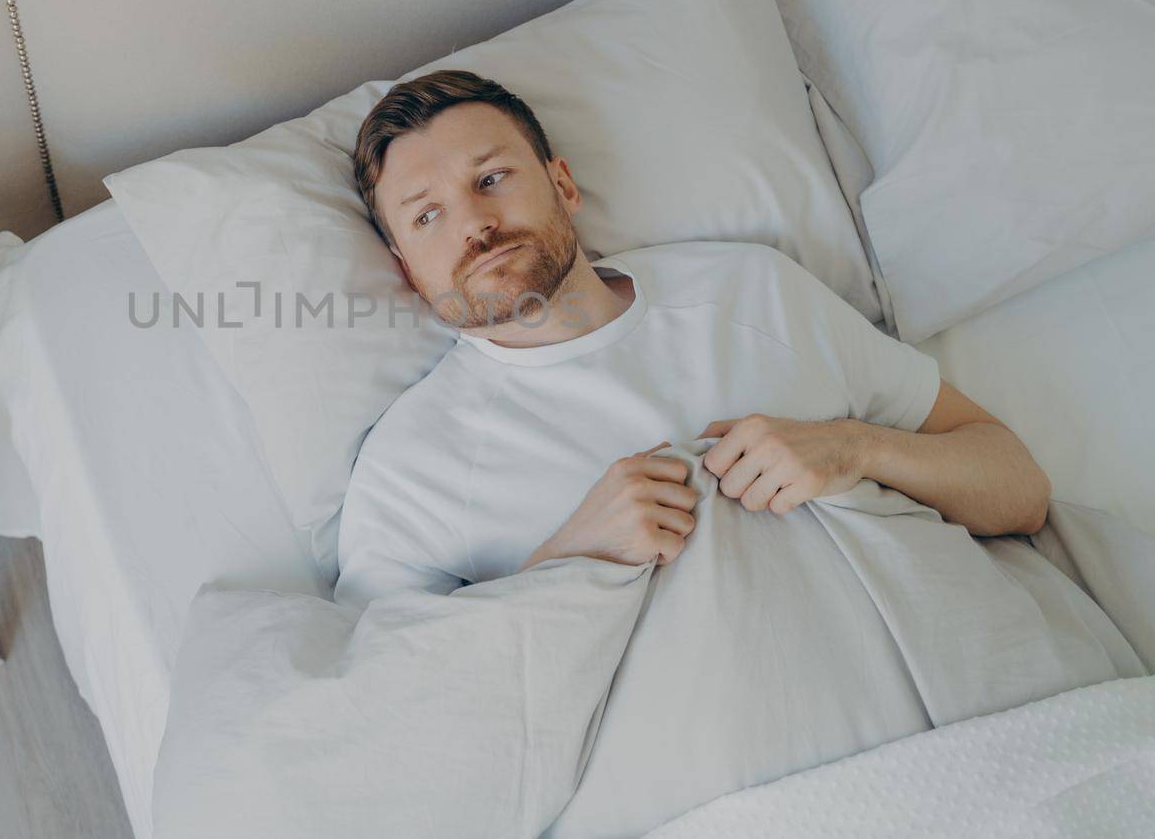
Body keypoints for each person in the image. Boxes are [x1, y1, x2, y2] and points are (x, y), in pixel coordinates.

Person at [332, 68, 1052, 609]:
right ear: (404, 269)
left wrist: (856, 447)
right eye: (427, 217)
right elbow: (395, 704)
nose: (473, 224)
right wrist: (565, 558)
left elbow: (1020, 489)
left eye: (492, 177)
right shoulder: (410, 467)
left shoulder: (751, 289)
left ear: (564, 185)